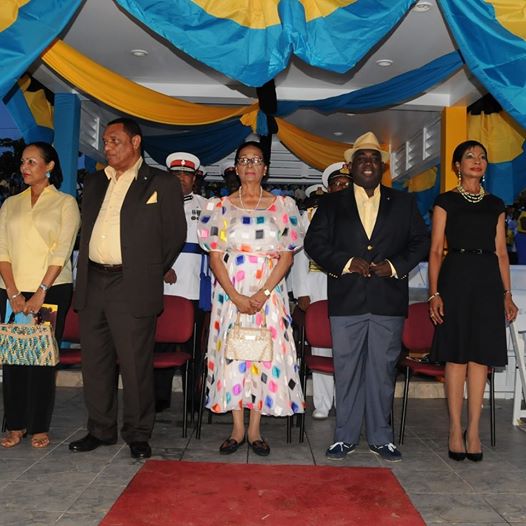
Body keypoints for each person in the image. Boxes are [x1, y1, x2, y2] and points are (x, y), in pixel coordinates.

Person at [305, 131, 428, 462]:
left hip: (388, 300)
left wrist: (394, 265)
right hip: (346, 300)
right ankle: (343, 437)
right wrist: (345, 263)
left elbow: (420, 241)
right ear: (350, 165)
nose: (369, 163)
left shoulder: (403, 202)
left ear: (382, 166)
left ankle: (380, 438)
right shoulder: (330, 203)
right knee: (345, 369)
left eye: (375, 158)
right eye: (362, 158)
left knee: (382, 371)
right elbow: (313, 244)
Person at [69, 117, 186, 459]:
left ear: (135, 143)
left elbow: (174, 236)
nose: (107, 147)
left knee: (135, 365)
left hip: (132, 284)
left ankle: (137, 433)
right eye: (105, 141)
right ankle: (100, 429)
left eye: (114, 140)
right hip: (94, 282)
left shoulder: (160, 182)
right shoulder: (94, 183)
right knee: (95, 363)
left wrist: (147, 272)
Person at [197, 141, 304, 457]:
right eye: (244, 160)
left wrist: (262, 294)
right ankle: (237, 429)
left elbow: (286, 258)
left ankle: (256, 429)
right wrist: (236, 297)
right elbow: (216, 258)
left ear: (265, 168)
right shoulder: (218, 207)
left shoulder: (283, 206)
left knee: (262, 355)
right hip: (231, 292)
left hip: (269, 293)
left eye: (256, 160)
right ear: (236, 167)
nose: (250, 165)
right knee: (234, 354)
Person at [428, 140, 518, 462]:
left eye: (482, 157)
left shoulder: (495, 203)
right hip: (455, 278)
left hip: (487, 281)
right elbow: (436, 250)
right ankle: (455, 428)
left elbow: (502, 253)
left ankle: (474, 430)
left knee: (480, 356)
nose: (477, 161)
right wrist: (434, 293)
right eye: (470, 156)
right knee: (457, 356)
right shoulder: (445, 201)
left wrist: (507, 294)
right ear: (457, 165)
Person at [0, 142, 80, 448]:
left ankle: (39, 426)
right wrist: (12, 292)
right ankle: (16, 425)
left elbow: (61, 251)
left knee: (41, 357)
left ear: (49, 166)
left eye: (32, 162)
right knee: (14, 356)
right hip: (13, 290)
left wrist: (41, 292)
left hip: (52, 288)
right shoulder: (10, 204)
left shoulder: (65, 203)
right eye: (23, 162)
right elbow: (3, 249)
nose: (24, 167)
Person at [290, 162, 351, 420]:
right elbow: (299, 255)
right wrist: (301, 290)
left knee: (348, 348)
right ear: (328, 187)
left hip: (350, 288)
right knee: (321, 347)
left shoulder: (364, 214)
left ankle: (346, 403)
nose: (342, 188)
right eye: (338, 184)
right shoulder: (312, 215)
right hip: (318, 285)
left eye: (347, 184)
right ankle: (324, 404)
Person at [154, 152, 209, 412]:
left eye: (186, 175)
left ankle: (193, 399)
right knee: (160, 343)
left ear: (194, 178)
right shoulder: (154, 202)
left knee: (195, 347)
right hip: (163, 286)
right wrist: (162, 266)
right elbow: (146, 241)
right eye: (175, 175)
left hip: (196, 286)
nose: (180, 179)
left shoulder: (207, 206)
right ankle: (159, 398)